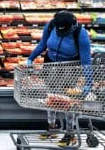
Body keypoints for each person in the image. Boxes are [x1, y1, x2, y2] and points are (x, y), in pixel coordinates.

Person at [27, 10, 92, 147]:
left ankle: (70, 134)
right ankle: (52, 127)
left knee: (68, 101)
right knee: (51, 98)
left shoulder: (80, 34)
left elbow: (86, 61)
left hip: (70, 69)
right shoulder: (51, 25)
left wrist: (88, 82)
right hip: (50, 65)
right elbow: (43, 44)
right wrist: (31, 58)